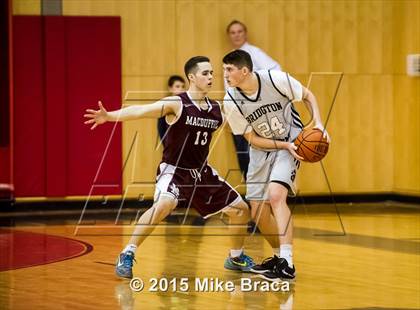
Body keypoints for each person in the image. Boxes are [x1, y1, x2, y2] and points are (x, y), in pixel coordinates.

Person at [84, 56, 256, 279]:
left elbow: (242, 127)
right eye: (205, 73)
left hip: (201, 172)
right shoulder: (177, 103)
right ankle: (127, 253)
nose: (211, 77)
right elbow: (141, 110)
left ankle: (235, 257)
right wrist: (110, 116)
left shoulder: (216, 109)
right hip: (174, 170)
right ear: (192, 77)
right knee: (164, 205)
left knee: (241, 210)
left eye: (212, 73)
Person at [222, 50, 330, 281]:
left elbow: (307, 95)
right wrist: (279, 145)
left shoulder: (275, 79)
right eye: (224, 70)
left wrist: (318, 123)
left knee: (276, 196)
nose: (225, 74)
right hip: (263, 148)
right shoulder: (231, 100)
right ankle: (278, 256)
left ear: (244, 70)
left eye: (229, 69)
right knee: (258, 211)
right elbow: (250, 138)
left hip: (292, 141)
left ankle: (288, 263)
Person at [226, 20, 282, 179]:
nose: (236, 35)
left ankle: (268, 194)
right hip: (238, 113)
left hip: (256, 112)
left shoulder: (254, 53)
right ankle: (254, 195)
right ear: (229, 36)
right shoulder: (228, 58)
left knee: (260, 154)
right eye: (233, 32)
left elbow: (276, 71)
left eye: (239, 31)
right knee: (243, 156)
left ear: (245, 33)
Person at [157, 75, 185, 140]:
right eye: (177, 86)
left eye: (183, 87)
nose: (181, 89)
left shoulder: (186, 105)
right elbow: (161, 128)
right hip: (171, 143)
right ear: (170, 88)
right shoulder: (165, 105)